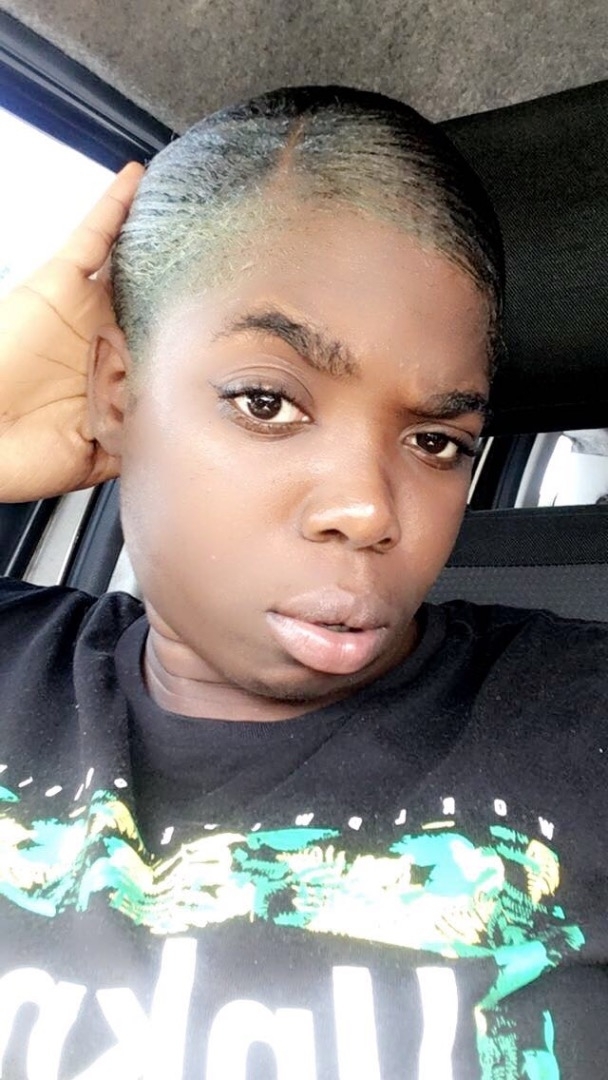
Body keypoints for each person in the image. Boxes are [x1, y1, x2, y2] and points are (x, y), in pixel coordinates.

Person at [0, 86, 606, 1080]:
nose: (368, 509)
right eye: (266, 402)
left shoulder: (575, 720)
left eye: (435, 441)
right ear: (118, 392)